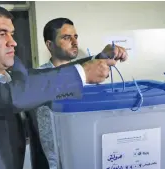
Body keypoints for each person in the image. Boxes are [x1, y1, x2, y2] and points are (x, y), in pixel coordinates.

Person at [0, 3, 127, 169]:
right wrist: (81, 74)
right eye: (2, 33)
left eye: (12, 34)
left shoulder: (8, 71)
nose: (13, 42)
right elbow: (11, 97)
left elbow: (43, 76)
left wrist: (97, 58)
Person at [33, 17, 127, 169]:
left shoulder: (89, 75)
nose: (75, 42)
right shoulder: (38, 77)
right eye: (66, 37)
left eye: (75, 37)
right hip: (53, 160)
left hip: (85, 153)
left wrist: (102, 56)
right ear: (50, 45)